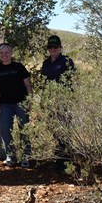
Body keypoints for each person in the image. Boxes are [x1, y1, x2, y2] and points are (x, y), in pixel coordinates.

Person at [0, 43, 32, 168]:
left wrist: (30, 101)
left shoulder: (18, 67)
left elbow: (28, 85)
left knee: (23, 130)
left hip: (21, 103)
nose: (4, 55)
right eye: (1, 53)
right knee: (5, 130)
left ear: (11, 53)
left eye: (6, 52)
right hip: (5, 105)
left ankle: (26, 156)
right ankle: (10, 156)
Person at [41, 35, 75, 169]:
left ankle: (66, 160)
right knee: (54, 128)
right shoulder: (46, 62)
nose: (52, 49)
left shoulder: (66, 61)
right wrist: (43, 100)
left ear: (60, 48)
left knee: (64, 129)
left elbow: (71, 79)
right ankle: (58, 157)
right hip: (50, 99)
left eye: (55, 47)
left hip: (63, 99)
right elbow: (44, 82)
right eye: (50, 47)